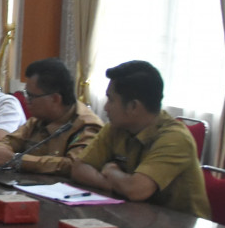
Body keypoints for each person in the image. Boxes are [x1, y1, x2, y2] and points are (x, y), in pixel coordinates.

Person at [71, 60, 211, 219]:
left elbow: (136, 190)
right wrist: (113, 183)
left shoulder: (175, 138)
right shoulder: (115, 128)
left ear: (133, 107)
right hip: (136, 219)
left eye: (111, 100)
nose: (105, 107)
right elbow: (79, 168)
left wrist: (111, 171)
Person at [0, 58, 103, 175]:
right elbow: (10, 141)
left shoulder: (87, 126)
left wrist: (17, 160)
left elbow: (74, 165)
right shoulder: (38, 119)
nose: (26, 100)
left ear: (55, 99)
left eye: (31, 96)